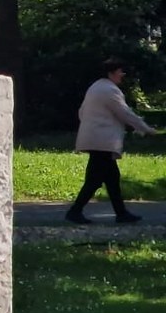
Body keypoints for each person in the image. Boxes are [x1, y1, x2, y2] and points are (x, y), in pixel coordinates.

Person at [65, 58, 156, 224]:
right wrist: (145, 128)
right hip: (102, 141)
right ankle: (75, 211)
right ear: (111, 73)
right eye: (120, 71)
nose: (122, 74)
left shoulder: (95, 87)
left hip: (95, 139)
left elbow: (82, 111)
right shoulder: (110, 90)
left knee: (112, 178)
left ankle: (121, 213)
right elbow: (124, 113)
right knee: (94, 180)